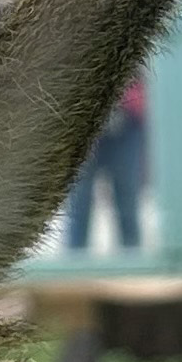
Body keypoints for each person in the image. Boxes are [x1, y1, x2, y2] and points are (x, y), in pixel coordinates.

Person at [65, 76, 148, 252]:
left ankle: (132, 265)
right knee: (79, 205)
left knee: (127, 202)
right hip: (82, 118)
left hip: (127, 119)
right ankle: (74, 266)